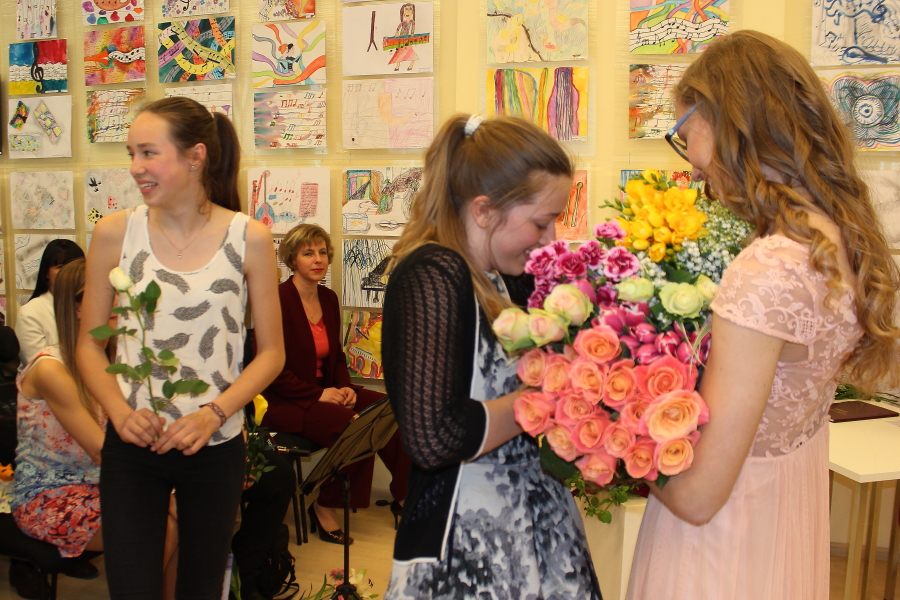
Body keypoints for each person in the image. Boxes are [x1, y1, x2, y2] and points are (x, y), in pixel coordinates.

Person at [626, 31, 900, 600]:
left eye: (683, 134)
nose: (692, 164)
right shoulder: (838, 242)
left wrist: (611, 432)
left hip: (720, 550)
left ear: (725, 121)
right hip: (779, 526)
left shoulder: (770, 266)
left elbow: (698, 497)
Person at [381, 114, 602, 599]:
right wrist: (546, 396)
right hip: (467, 543)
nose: (550, 238)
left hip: (535, 525)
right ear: (484, 211)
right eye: (540, 222)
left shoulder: (504, 276)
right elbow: (433, 437)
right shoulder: (433, 272)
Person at [76, 97, 284, 600]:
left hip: (214, 445)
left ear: (195, 156)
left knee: (200, 588)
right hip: (133, 444)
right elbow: (88, 346)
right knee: (132, 587)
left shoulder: (250, 237)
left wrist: (215, 413)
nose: (135, 167)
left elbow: (272, 353)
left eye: (149, 153)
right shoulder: (115, 233)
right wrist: (120, 413)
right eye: (132, 153)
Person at [13, 260, 178, 598]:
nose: (119, 304)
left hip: (104, 483)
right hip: (51, 495)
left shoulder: (116, 362)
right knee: (159, 525)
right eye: (108, 296)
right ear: (77, 308)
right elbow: (102, 452)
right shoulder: (51, 370)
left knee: (189, 512)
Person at [261, 223, 410, 544]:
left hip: (326, 390)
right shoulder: (277, 300)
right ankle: (324, 504)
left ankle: (404, 497)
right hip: (288, 401)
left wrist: (343, 387)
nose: (318, 260)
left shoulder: (328, 298)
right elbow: (272, 369)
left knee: (390, 411)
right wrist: (318, 394)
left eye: (322, 253)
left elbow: (337, 355)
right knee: (357, 427)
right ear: (292, 258)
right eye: (308, 253)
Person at [16, 239, 84, 369]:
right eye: (61, 267)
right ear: (46, 273)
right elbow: (40, 368)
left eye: (73, 267)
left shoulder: (91, 308)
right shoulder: (30, 313)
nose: (68, 273)